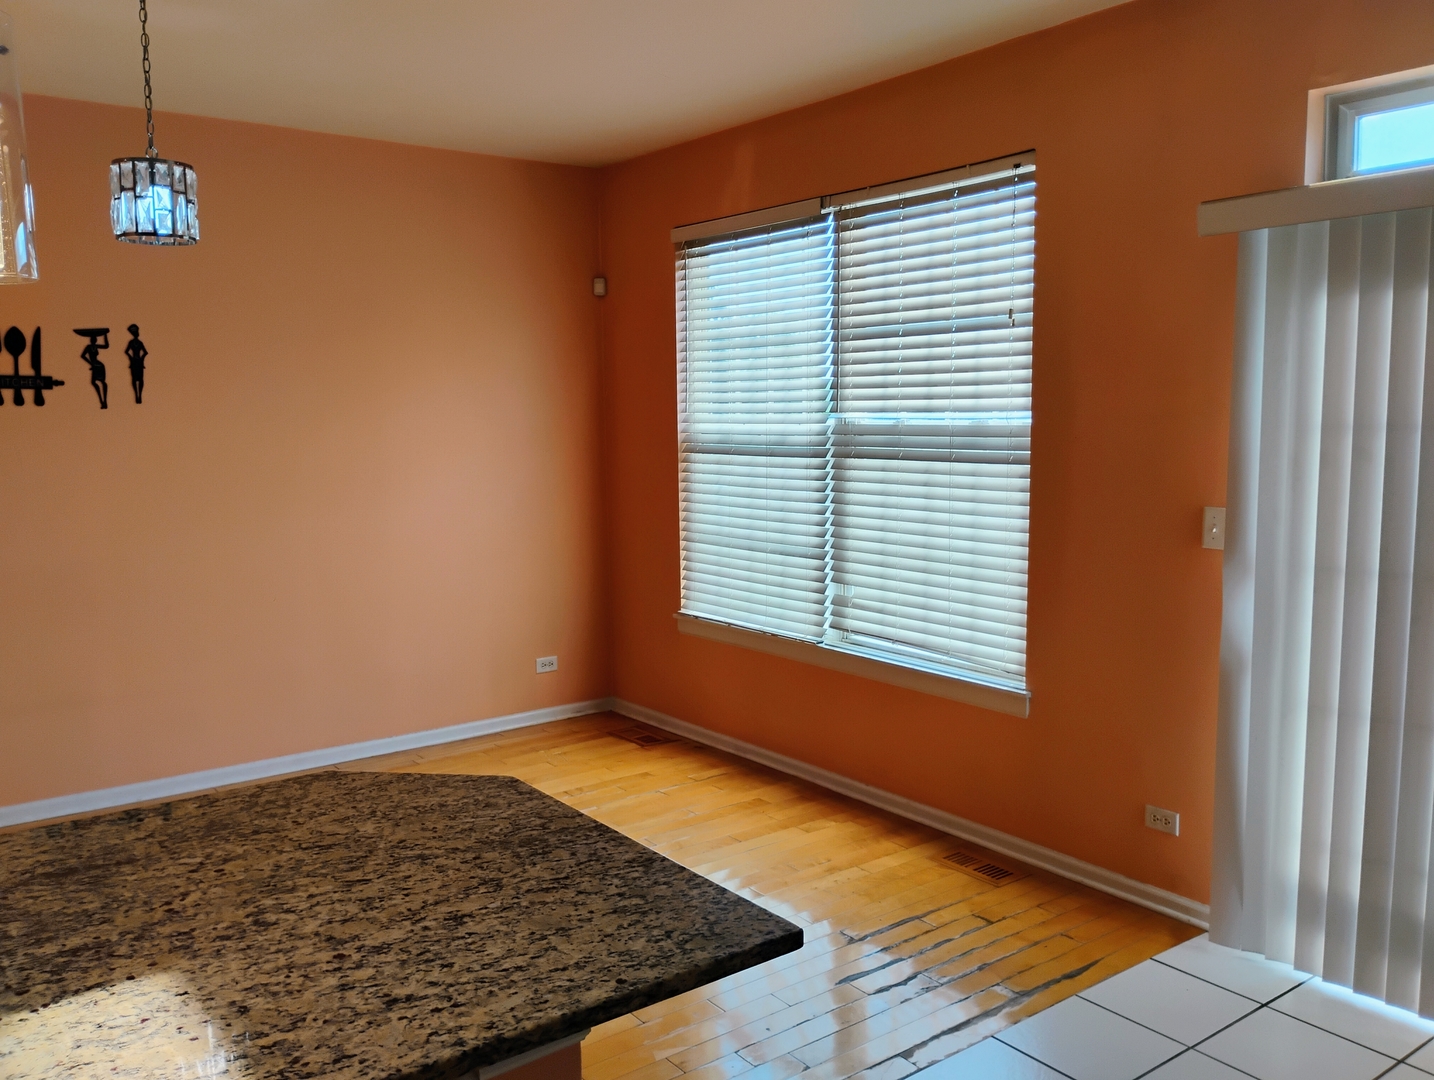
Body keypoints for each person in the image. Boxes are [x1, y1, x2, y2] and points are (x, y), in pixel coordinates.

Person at [74, 328, 109, 410]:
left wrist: (105, 335)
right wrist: (90, 363)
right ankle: (102, 400)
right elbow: (83, 356)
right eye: (93, 339)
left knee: (101, 382)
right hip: (96, 365)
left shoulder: (95, 346)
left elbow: (106, 346)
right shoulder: (89, 347)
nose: (93, 340)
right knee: (95, 382)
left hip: (99, 365)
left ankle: (104, 400)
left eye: (94, 339)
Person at [126, 324, 147, 404]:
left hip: (137, 361)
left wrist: (141, 359)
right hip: (135, 361)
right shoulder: (131, 342)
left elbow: (145, 352)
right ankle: (137, 395)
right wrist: (131, 358)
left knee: (140, 379)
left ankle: (139, 395)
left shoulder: (139, 343)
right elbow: (127, 351)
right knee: (135, 379)